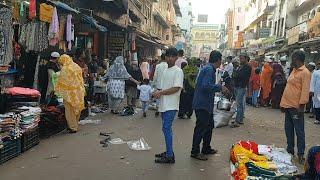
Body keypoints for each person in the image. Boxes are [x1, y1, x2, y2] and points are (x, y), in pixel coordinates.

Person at [191, 50, 229, 161]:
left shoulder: (209, 69)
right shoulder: (209, 70)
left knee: (209, 126)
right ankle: (195, 151)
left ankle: (206, 148)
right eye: (221, 60)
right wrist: (219, 87)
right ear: (218, 60)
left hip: (206, 103)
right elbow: (205, 86)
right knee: (201, 128)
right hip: (202, 104)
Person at [280, 50, 311, 164]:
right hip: (288, 105)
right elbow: (289, 87)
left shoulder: (305, 72)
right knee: (288, 129)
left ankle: (301, 154)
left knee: (299, 131)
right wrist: (283, 104)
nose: (291, 60)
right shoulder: (293, 70)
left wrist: (301, 107)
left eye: (293, 58)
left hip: (296, 107)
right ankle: (290, 150)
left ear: (297, 59)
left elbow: (305, 90)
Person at [153, 47, 184, 164]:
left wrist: (160, 92)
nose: (170, 58)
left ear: (176, 58)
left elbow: (176, 88)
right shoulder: (165, 70)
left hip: (171, 105)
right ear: (165, 57)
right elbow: (163, 86)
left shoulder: (178, 71)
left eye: (172, 56)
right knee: (166, 128)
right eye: (168, 56)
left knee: (166, 128)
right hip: (163, 104)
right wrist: (156, 92)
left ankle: (170, 156)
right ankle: (169, 151)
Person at [55, 54, 85, 133]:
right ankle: (74, 124)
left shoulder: (65, 69)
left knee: (69, 110)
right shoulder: (76, 66)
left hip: (70, 93)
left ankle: (73, 127)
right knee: (77, 108)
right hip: (79, 91)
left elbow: (62, 81)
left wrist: (58, 90)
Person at [231, 53, 252, 127]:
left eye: (242, 58)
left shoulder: (247, 67)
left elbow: (239, 76)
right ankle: (239, 119)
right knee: (240, 104)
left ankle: (238, 120)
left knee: (239, 104)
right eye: (240, 58)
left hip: (241, 86)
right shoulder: (241, 66)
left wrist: (236, 73)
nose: (240, 60)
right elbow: (235, 75)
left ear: (246, 59)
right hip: (238, 86)